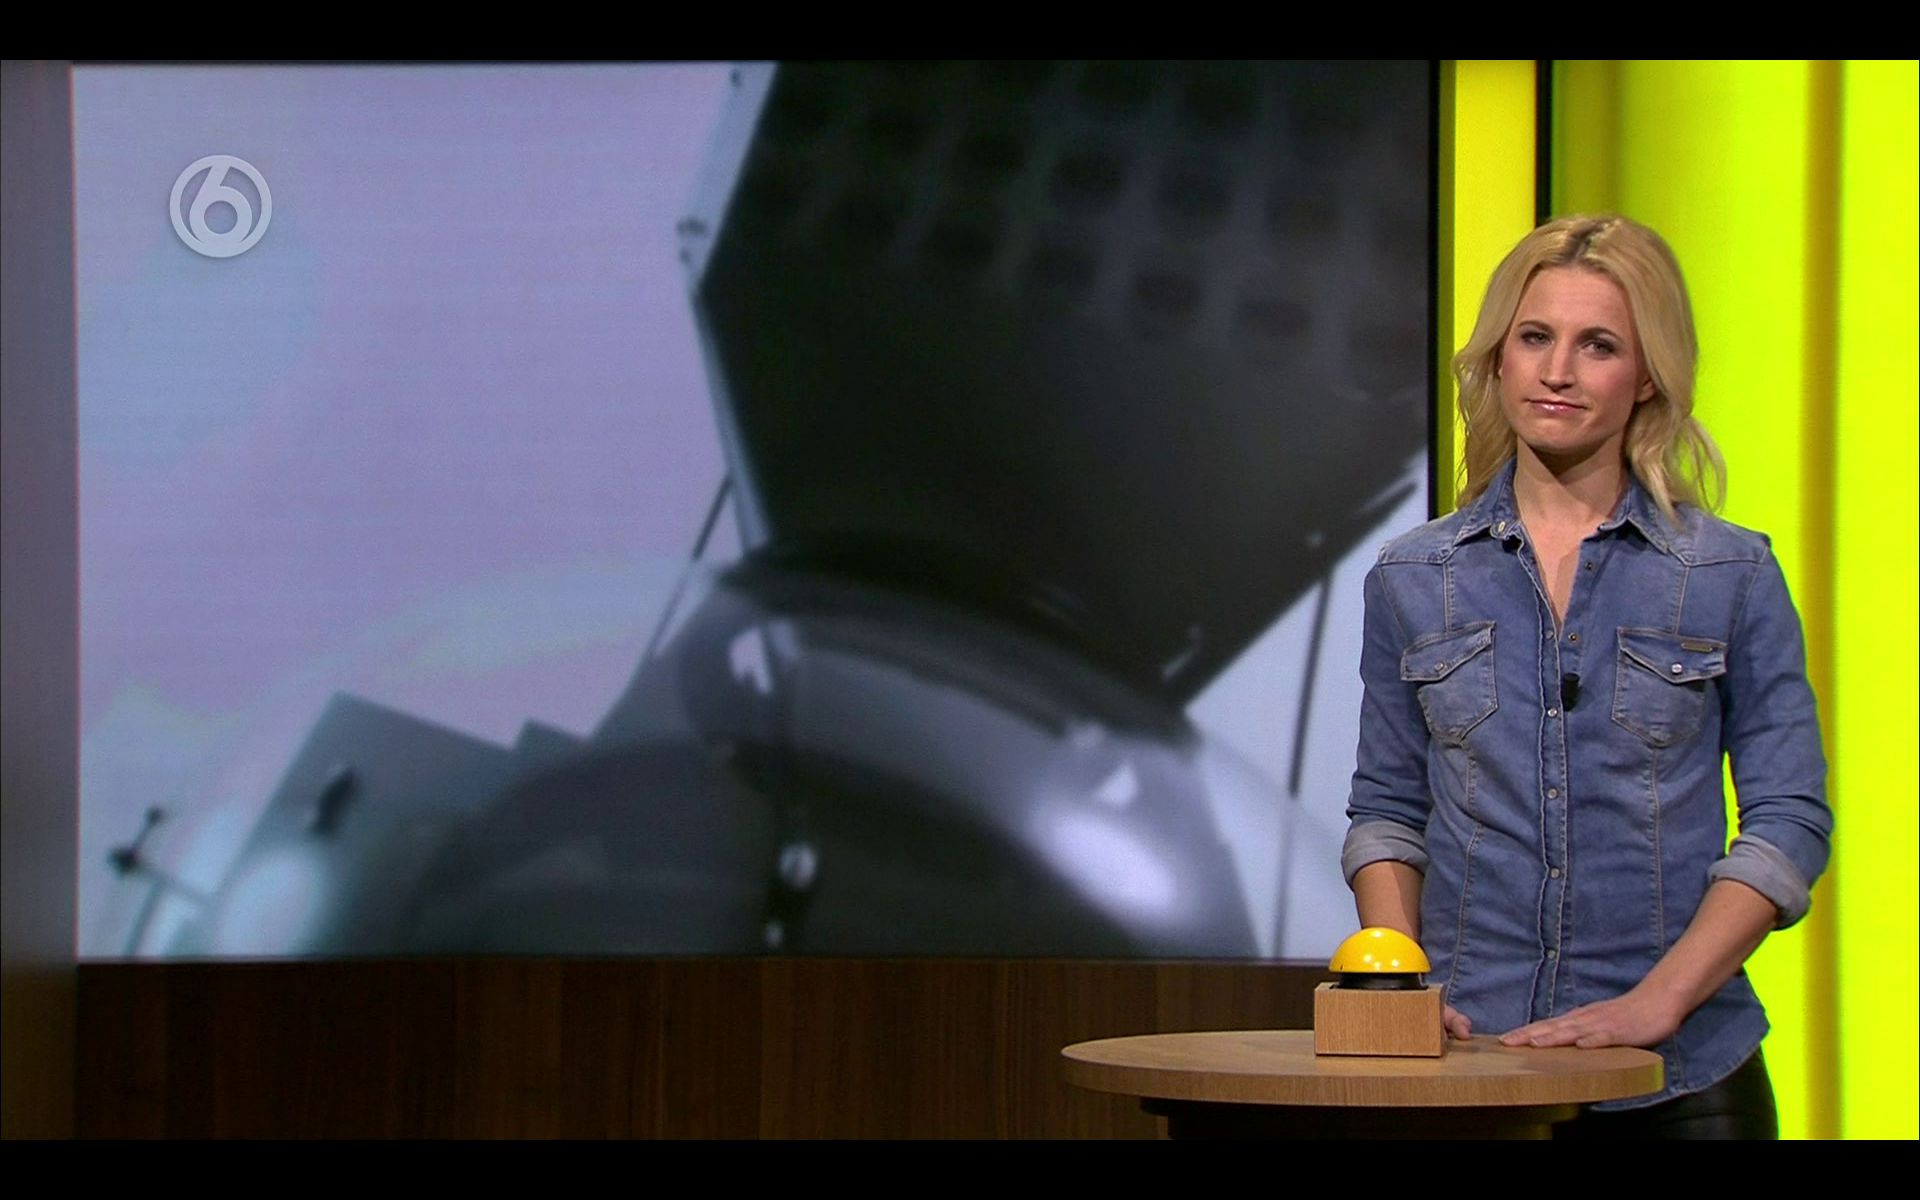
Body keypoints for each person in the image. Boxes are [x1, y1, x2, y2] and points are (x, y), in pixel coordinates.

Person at [1341, 214, 1831, 1139]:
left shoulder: (1729, 572)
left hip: (1683, 1076)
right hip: (1470, 1066)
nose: (1558, 371)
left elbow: (1788, 822)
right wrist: (1403, 987)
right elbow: (1387, 814)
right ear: (1499, 357)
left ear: (1647, 374)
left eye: (1598, 345)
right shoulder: (1415, 577)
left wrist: (1659, 1002)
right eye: (1535, 337)